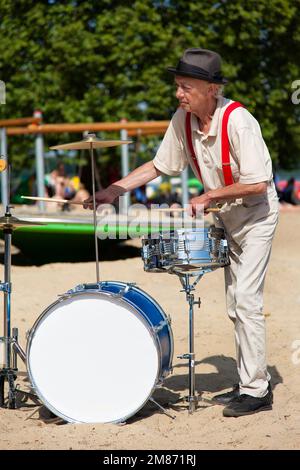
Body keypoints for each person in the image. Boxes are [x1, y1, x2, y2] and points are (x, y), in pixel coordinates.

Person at [84, 48, 279, 417]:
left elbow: (258, 182)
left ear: (211, 89)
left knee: (246, 300)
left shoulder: (239, 121)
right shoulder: (182, 119)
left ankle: (257, 391)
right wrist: (115, 190)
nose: (178, 94)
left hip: (256, 217)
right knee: (235, 304)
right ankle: (247, 381)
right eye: (177, 86)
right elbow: (159, 166)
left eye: (186, 87)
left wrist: (209, 195)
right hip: (226, 219)